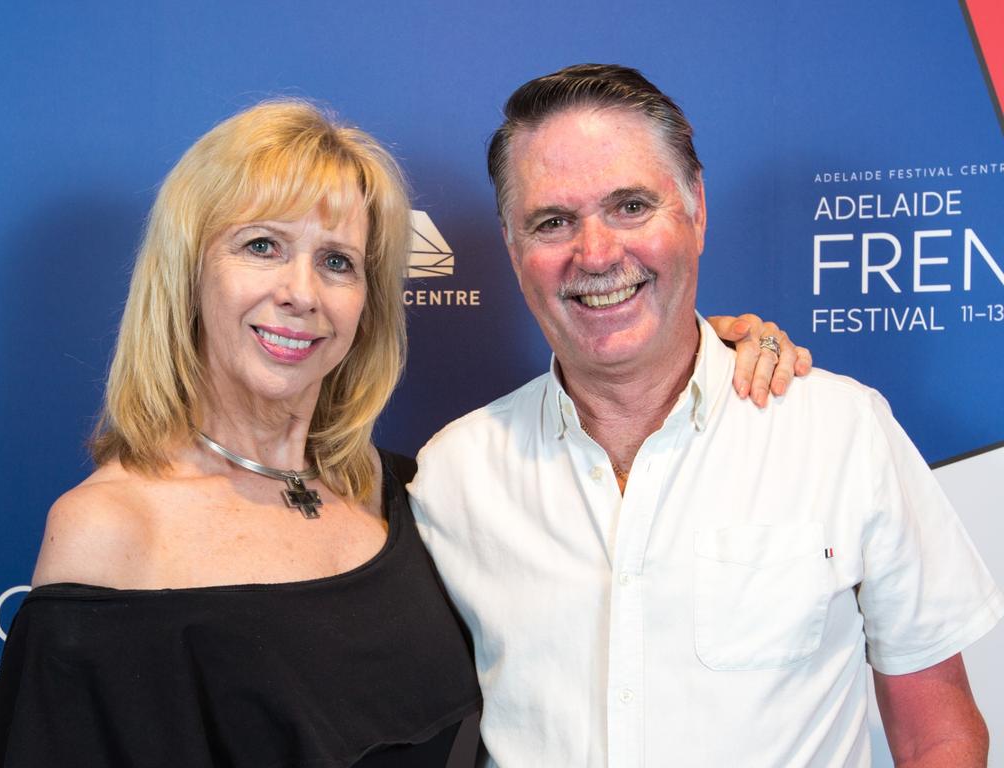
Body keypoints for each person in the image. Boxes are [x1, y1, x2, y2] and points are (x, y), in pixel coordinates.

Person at [0, 97, 802, 767]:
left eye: (337, 261)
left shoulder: (409, 494)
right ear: (186, 273)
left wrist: (698, 351)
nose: (301, 292)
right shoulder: (111, 531)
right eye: (262, 246)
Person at [409, 64, 1004, 767]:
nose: (596, 253)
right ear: (513, 248)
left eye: (631, 206)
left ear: (696, 209)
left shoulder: (843, 433)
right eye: (553, 221)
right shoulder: (452, 478)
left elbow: (937, 732)